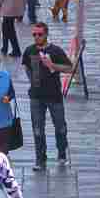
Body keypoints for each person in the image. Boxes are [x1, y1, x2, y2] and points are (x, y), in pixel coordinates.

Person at [19, 22, 74, 171]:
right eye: (34, 34)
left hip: (54, 95)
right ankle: (40, 160)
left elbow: (70, 68)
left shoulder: (55, 51)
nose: (36, 37)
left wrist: (52, 65)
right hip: (36, 97)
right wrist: (32, 81)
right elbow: (25, 66)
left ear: (46, 34)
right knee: (37, 128)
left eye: (39, 34)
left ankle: (62, 154)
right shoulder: (29, 51)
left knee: (60, 127)